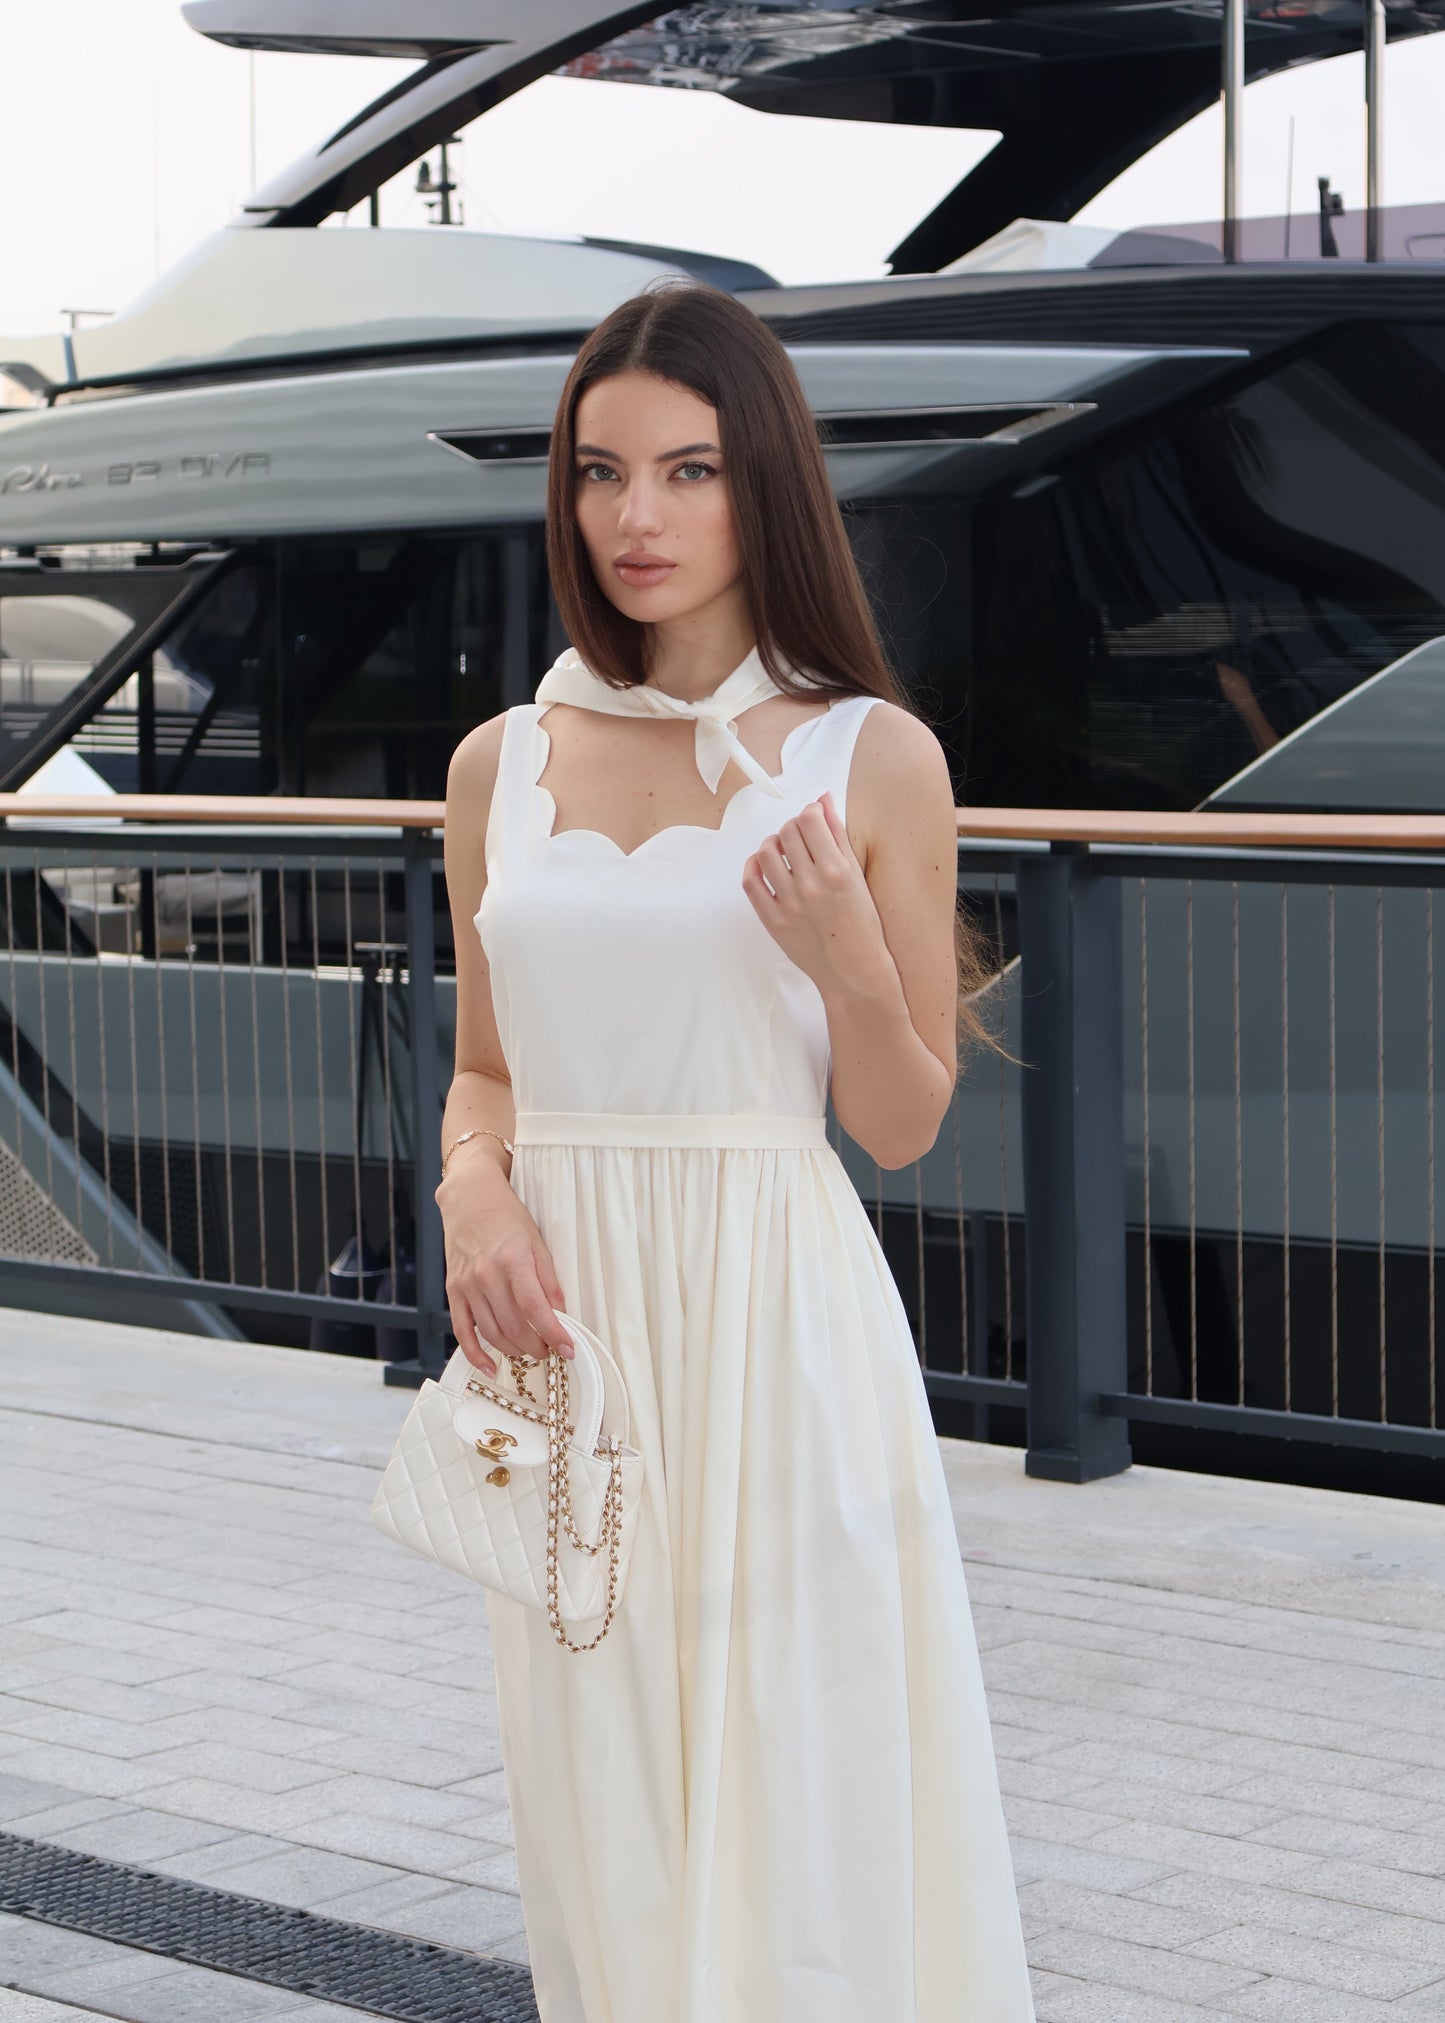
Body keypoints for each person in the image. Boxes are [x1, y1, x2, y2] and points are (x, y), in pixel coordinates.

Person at [436, 276, 1036, 2023]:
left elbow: (901, 1123)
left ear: (761, 480)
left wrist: (848, 953)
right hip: (559, 1345)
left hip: (777, 1326)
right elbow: (484, 1067)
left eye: (688, 471)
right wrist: (473, 1192)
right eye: (599, 472)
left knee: (806, 1786)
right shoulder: (501, 762)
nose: (635, 517)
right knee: (598, 1797)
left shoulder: (873, 756)